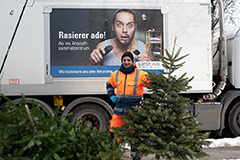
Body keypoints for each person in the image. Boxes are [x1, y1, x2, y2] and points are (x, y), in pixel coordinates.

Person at [106, 51, 149, 160]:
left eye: (128, 60)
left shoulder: (140, 74)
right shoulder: (115, 74)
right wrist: (112, 96)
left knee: (135, 136)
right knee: (114, 133)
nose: (126, 62)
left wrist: (166, 82)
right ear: (121, 61)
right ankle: (114, 156)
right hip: (119, 111)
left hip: (134, 112)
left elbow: (153, 81)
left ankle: (136, 157)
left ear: (132, 61)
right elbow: (109, 85)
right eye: (124, 60)